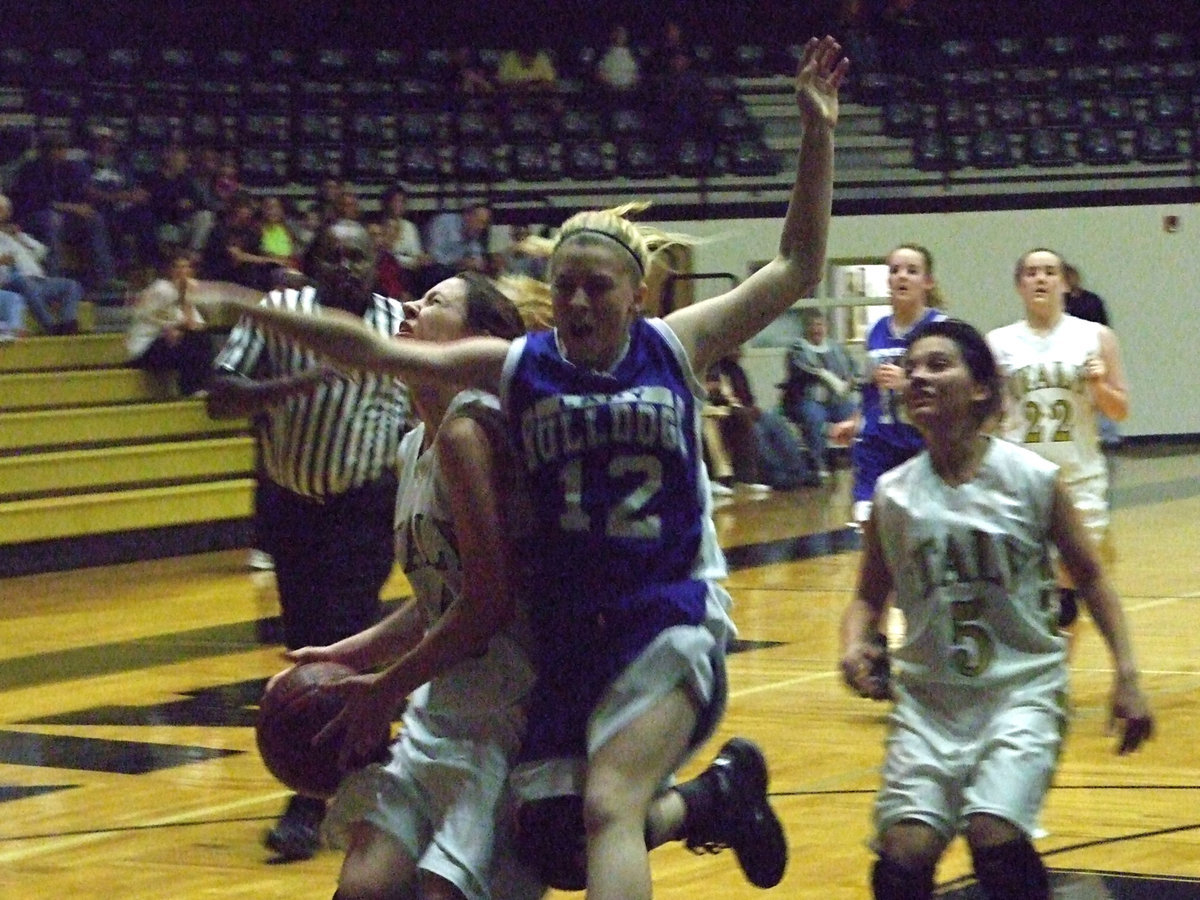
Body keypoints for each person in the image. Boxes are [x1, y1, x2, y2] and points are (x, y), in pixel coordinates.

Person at [196, 36, 847, 899]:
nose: (576, 300)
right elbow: (372, 350)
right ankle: (716, 800)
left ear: (637, 295)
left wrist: (816, 133)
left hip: (668, 609)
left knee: (606, 810)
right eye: (565, 284)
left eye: (598, 287)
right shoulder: (519, 369)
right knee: (557, 843)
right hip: (575, 634)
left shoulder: (672, 346)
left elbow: (797, 266)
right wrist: (252, 308)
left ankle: (695, 798)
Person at [839, 317, 1153, 900]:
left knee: (994, 833)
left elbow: (1091, 577)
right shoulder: (894, 494)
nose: (919, 377)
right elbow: (866, 597)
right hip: (929, 703)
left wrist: (1127, 676)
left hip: (1020, 693)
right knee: (903, 855)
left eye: (939, 365)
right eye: (911, 368)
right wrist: (855, 644)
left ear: (981, 387)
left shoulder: (1032, 479)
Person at [279, 272, 547, 900]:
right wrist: (350, 654)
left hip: (509, 713)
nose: (407, 306)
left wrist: (386, 688)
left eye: (434, 303)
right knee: (363, 888)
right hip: (445, 706)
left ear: (476, 339)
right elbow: (440, 595)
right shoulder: (414, 445)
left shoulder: (471, 433)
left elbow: (488, 604)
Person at [206, 219, 411, 861]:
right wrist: (296, 385)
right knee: (305, 644)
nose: (345, 267)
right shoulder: (280, 312)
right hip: (291, 506)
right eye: (333, 256)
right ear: (312, 265)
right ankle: (356, 773)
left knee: (340, 643)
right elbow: (219, 397)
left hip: (364, 506)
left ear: (375, 263)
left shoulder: (400, 323)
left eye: (357, 256)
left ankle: (310, 798)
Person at [987, 248, 1130, 635]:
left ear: (1065, 284)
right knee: (1030, 591)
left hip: (1079, 479)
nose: (1041, 279)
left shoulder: (1096, 337)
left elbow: (1119, 410)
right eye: (1032, 272)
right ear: (1019, 285)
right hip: (1021, 481)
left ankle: (1058, 669)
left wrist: (1099, 385)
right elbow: (989, 414)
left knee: (1067, 594)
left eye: (1050, 272)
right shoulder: (998, 343)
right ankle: (1042, 665)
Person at [831, 243, 945, 528]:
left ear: (928, 282)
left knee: (921, 527)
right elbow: (871, 389)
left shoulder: (941, 329)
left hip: (922, 443)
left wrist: (908, 383)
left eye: (912, 271)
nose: (902, 276)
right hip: (877, 442)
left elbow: (953, 388)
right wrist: (855, 420)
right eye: (895, 270)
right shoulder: (876, 330)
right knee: (868, 519)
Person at [703, 350, 816, 492]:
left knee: (776, 422)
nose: (740, 351)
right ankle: (776, 475)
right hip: (727, 414)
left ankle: (799, 470)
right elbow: (717, 400)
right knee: (757, 431)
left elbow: (748, 399)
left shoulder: (737, 371)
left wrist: (753, 409)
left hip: (747, 411)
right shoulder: (713, 370)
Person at [125, 250, 217, 397]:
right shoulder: (161, 288)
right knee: (193, 342)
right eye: (177, 267)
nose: (182, 271)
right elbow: (139, 313)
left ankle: (201, 388)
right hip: (146, 347)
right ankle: (192, 389)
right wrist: (167, 327)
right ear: (170, 270)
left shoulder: (186, 293)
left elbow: (194, 326)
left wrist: (187, 298)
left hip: (168, 344)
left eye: (186, 267)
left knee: (201, 339)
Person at [780, 307, 859, 479]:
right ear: (806, 328)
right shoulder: (797, 349)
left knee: (855, 414)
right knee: (814, 418)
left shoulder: (836, 347)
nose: (817, 329)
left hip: (837, 401)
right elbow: (805, 371)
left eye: (820, 325)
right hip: (808, 399)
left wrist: (851, 380)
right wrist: (826, 376)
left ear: (826, 327)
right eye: (812, 325)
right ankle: (819, 464)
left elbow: (852, 368)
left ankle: (858, 460)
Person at [0, 192, 84, 335]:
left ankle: (67, 323)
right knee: (26, 283)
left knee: (72, 285)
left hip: (39, 281)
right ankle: (50, 325)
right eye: (2, 209)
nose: (5, 212)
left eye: (6, 209)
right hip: (12, 282)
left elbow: (42, 252)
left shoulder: (17, 234)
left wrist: (20, 238)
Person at [1062, 262, 1120, 448]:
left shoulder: (1092, 300)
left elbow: (1104, 325)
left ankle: (1108, 437)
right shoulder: (1060, 303)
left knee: (1101, 392)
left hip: (1093, 352)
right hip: (1068, 354)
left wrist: (1104, 352)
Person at [424, 201, 492, 287]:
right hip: (433, 269)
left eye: (484, 223)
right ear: (467, 216)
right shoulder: (443, 223)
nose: (481, 227)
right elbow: (434, 255)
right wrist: (459, 262)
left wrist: (479, 263)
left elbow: (476, 254)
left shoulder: (474, 233)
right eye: (479, 221)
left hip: (456, 271)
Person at [595, 24, 641, 94]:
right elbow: (600, 71)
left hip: (629, 91)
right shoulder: (605, 52)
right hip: (609, 91)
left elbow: (636, 72)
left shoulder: (633, 53)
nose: (620, 36)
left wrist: (633, 81)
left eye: (622, 34)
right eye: (618, 34)